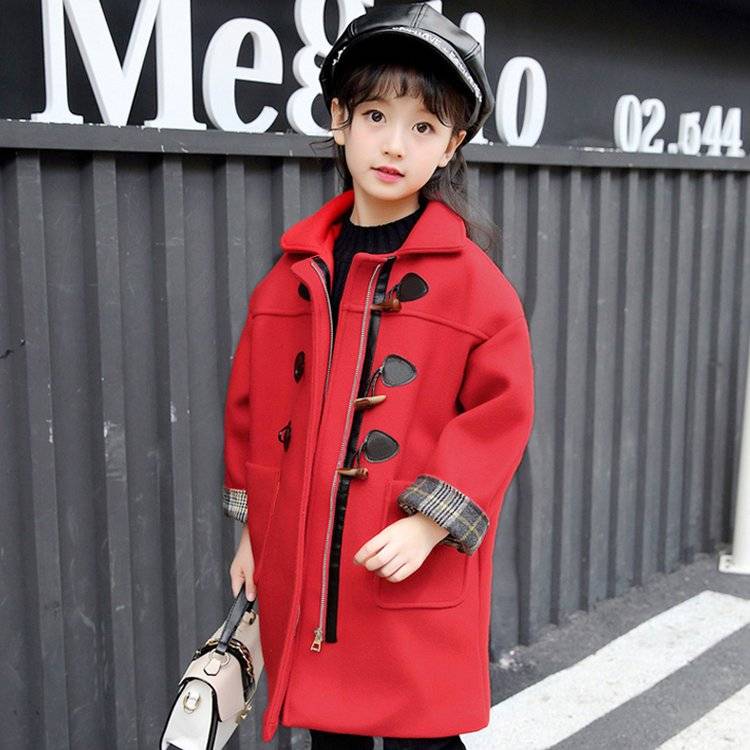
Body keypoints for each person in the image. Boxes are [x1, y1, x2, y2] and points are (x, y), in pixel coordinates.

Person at [222, 3, 535, 748]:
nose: (395, 144)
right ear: (339, 119)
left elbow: (501, 414)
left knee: (424, 737)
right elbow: (253, 414)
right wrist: (253, 535)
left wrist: (430, 522)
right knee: (328, 730)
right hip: (307, 561)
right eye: (375, 116)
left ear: (452, 145)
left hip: (405, 561)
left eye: (424, 127)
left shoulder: (476, 286)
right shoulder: (288, 280)